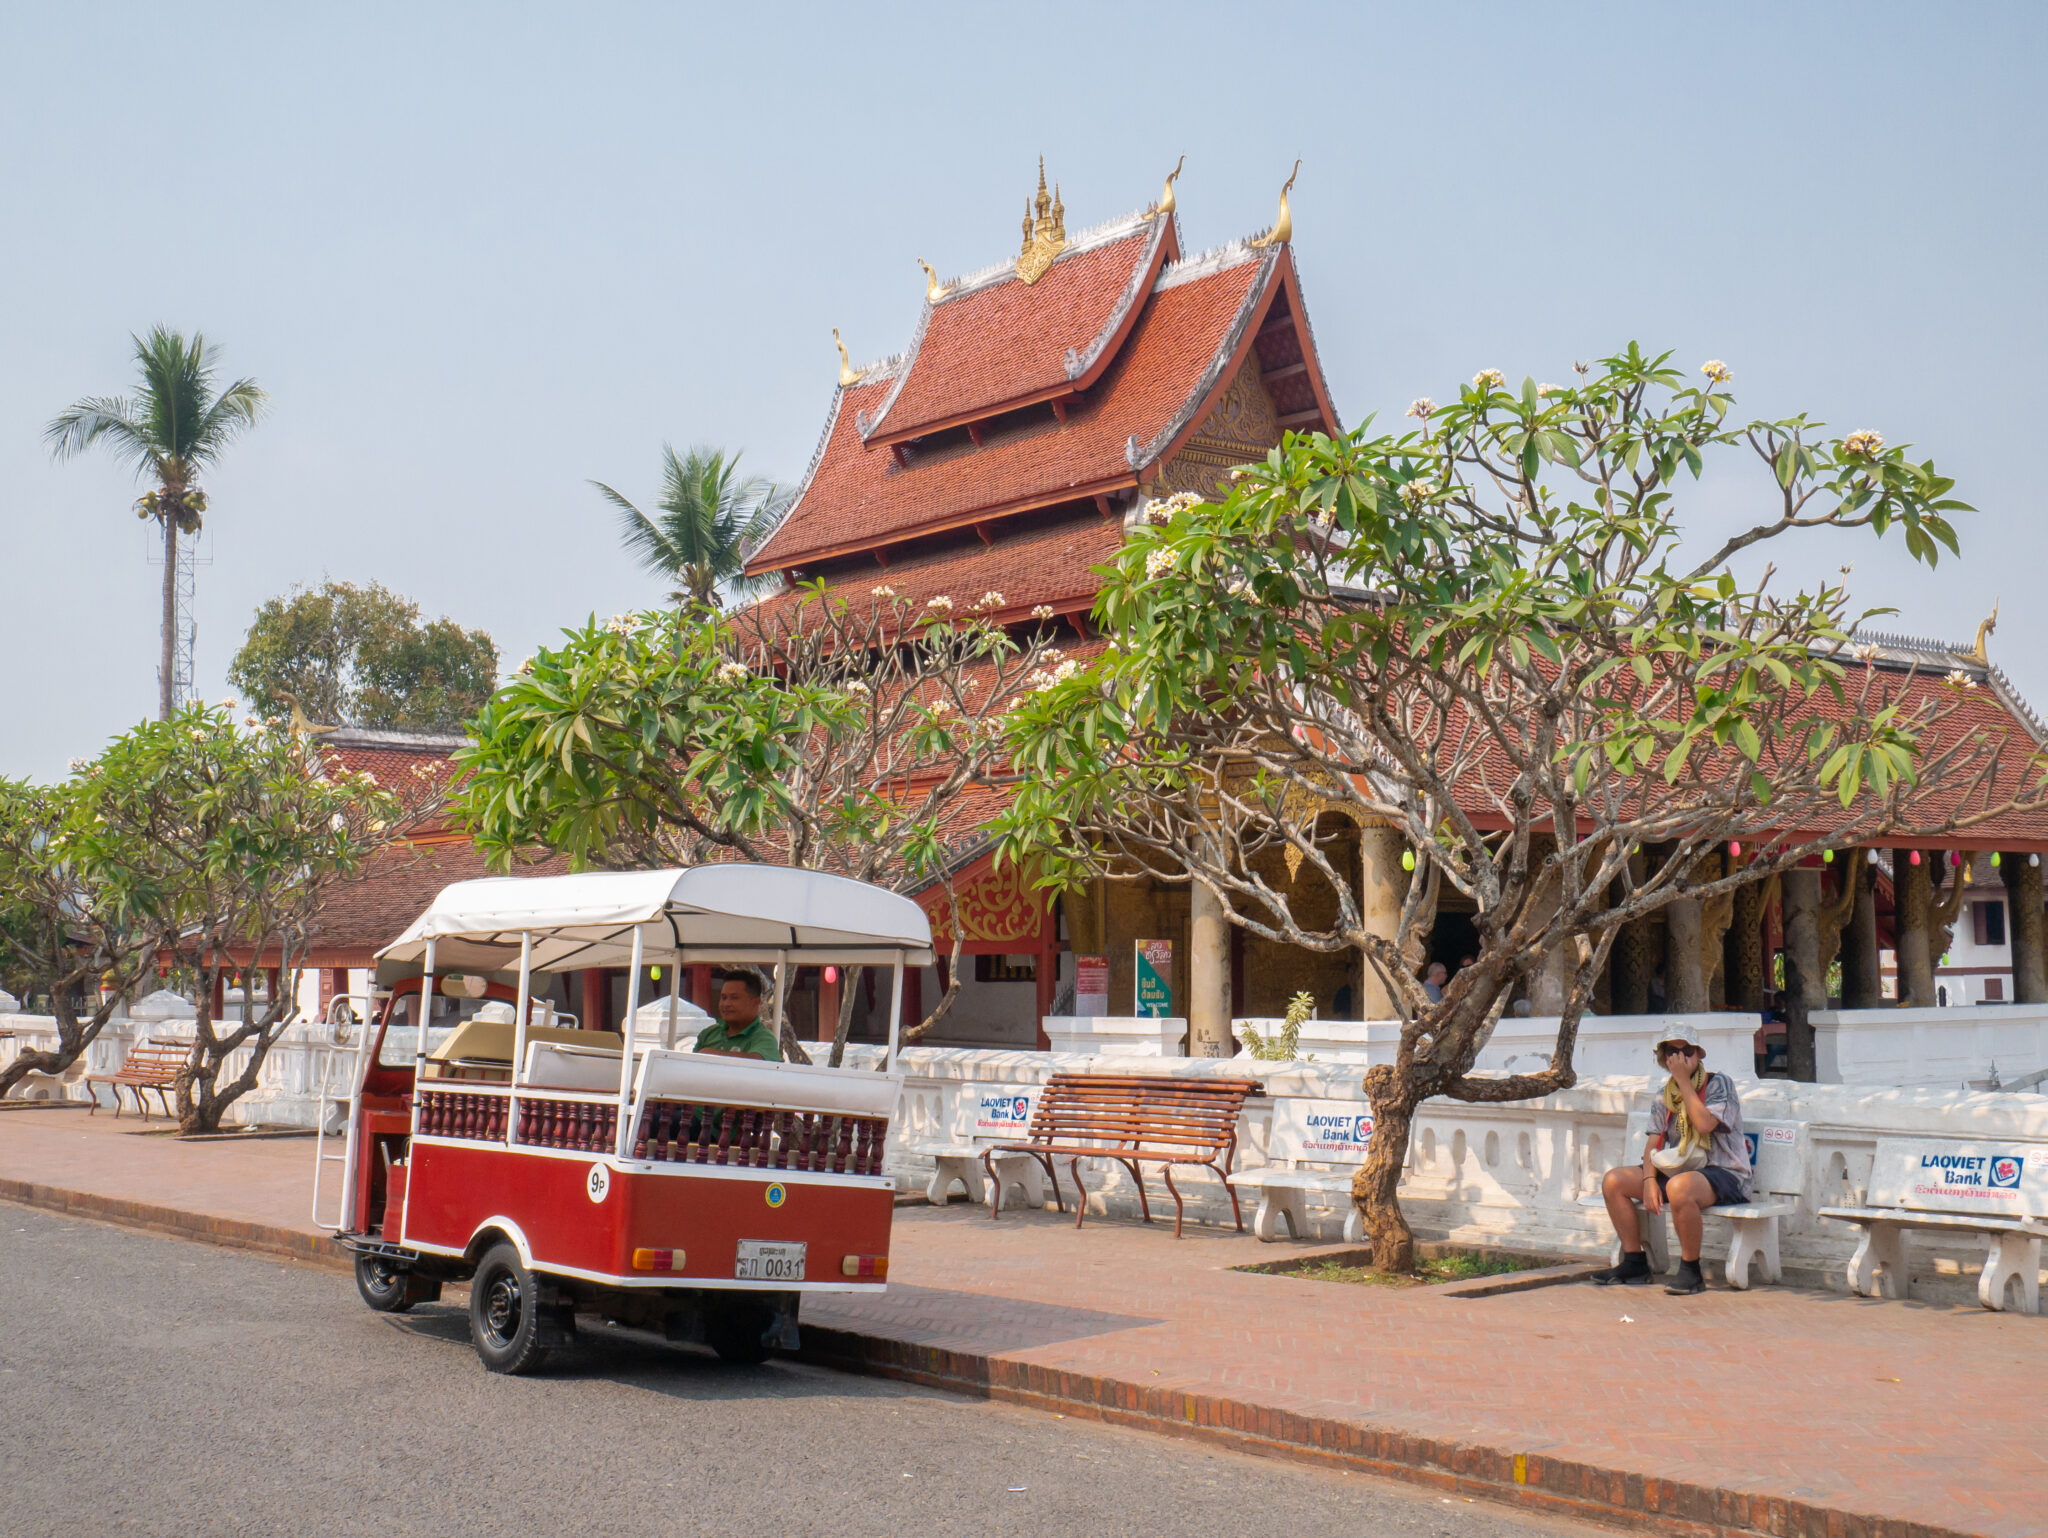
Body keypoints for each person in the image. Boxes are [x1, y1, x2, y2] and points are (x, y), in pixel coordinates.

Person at [1589, 1035, 1751, 1295]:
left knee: (1678, 1187)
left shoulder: (1719, 1084)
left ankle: (1690, 1270)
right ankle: (1634, 1262)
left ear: (1698, 1054)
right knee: (1613, 1181)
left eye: (1687, 1051)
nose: (1680, 1058)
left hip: (1725, 1173)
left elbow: (1705, 1125)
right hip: (1681, 1171)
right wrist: (1649, 1180)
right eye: (1673, 1052)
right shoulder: (1664, 1094)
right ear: (1664, 1058)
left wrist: (1684, 1081)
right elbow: (1655, 1141)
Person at [693, 969, 783, 1062]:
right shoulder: (709, 1034)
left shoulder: (764, 1038)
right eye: (723, 997)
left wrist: (709, 1055)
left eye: (734, 998)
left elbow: (758, 1063)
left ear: (756, 1002)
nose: (726, 1004)